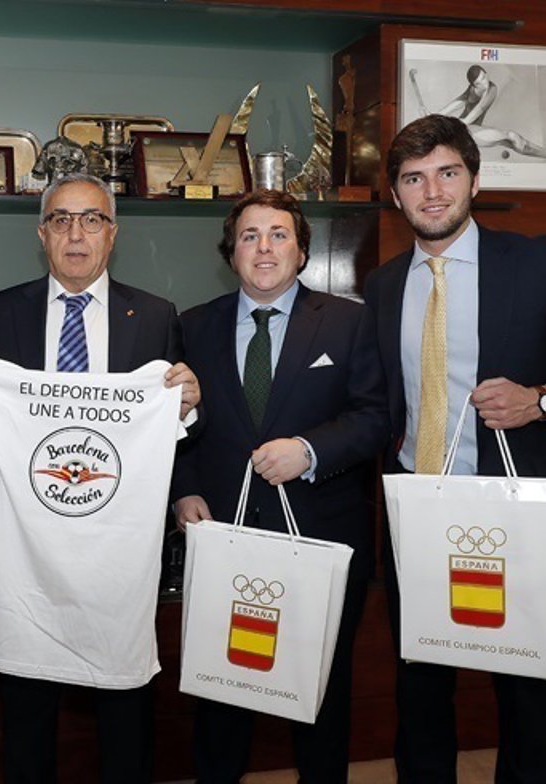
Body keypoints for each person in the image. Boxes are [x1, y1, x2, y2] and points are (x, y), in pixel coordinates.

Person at [363, 114, 546, 782]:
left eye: (447, 173)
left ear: (474, 181)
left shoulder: (541, 262)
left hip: (515, 510)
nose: (432, 192)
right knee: (420, 683)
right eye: (414, 179)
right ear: (395, 195)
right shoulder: (385, 286)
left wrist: (541, 400)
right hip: (419, 507)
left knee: (524, 687)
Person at [0, 172, 200, 783]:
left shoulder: (155, 316)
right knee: (26, 707)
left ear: (113, 233)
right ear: (42, 235)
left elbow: (167, 433)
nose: (76, 234)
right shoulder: (1, 311)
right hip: (27, 556)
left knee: (123, 707)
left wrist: (188, 404)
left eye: (91, 220)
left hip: (116, 556)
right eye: (60, 220)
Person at [170, 190, 387, 783]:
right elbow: (173, 424)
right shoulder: (192, 325)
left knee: (320, 701)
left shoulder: (350, 321)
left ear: (301, 251)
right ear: (231, 253)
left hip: (321, 537)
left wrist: (309, 451)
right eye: (249, 236)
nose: (263, 248)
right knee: (221, 696)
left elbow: (374, 418)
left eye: (278, 235)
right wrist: (183, 489)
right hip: (224, 540)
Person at [412, 64, 546, 163]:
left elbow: (476, 112)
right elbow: (459, 101)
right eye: (479, 82)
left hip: (468, 129)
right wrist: (435, 115)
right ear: (473, 85)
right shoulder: (472, 89)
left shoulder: (491, 89)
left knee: (513, 140)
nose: (484, 82)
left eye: (484, 77)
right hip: (467, 132)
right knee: (512, 139)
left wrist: (443, 121)